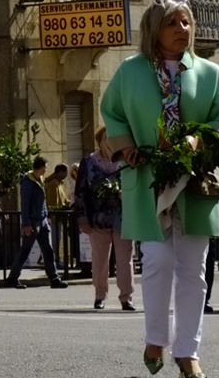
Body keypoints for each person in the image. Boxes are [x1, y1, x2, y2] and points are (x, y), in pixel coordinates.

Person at [103, 0, 219, 378]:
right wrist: (125, 146)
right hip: (147, 179)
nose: (183, 29)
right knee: (158, 261)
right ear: (154, 30)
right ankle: (155, 338)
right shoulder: (130, 71)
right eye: (172, 23)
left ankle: (188, 352)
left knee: (194, 268)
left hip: (196, 181)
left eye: (186, 22)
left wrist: (199, 140)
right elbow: (111, 111)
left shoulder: (210, 73)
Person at [77, 126, 134, 311]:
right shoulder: (89, 162)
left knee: (125, 259)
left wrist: (125, 193)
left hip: (122, 217)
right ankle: (100, 295)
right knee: (100, 259)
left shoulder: (126, 160)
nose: (109, 142)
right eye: (105, 139)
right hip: (98, 218)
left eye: (113, 139)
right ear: (99, 142)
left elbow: (135, 185)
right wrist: (83, 218)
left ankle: (126, 297)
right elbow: (80, 192)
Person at [6, 157, 65, 290]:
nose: (46, 169)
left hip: (42, 220)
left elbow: (42, 201)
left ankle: (54, 278)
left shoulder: (40, 180)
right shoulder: (28, 182)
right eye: (45, 167)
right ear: (41, 167)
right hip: (33, 221)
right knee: (25, 250)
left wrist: (46, 215)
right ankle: (12, 278)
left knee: (48, 250)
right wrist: (26, 224)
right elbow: (25, 204)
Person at [45, 162, 73, 273]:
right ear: (60, 172)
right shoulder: (53, 183)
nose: (66, 174)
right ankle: (54, 261)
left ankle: (56, 260)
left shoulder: (59, 183)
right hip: (55, 217)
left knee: (57, 240)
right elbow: (52, 202)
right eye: (65, 172)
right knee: (55, 240)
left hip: (59, 217)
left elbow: (64, 199)